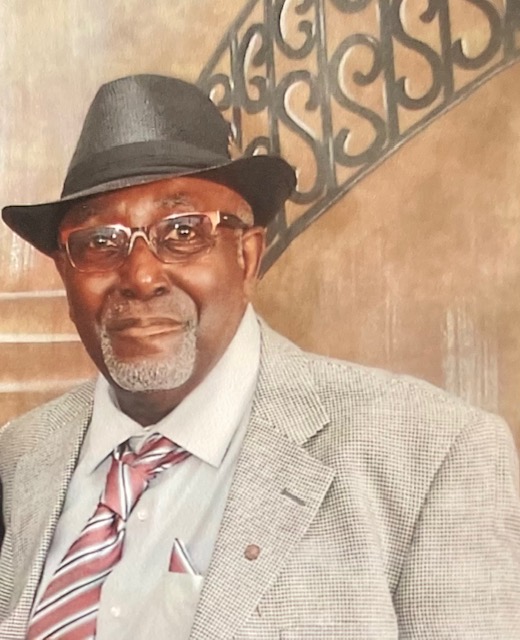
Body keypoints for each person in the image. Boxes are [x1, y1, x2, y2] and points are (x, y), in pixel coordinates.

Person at [0, 74, 519, 640]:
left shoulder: (431, 455)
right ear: (65, 272)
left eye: (183, 231)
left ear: (247, 257)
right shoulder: (19, 457)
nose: (141, 276)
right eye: (100, 242)